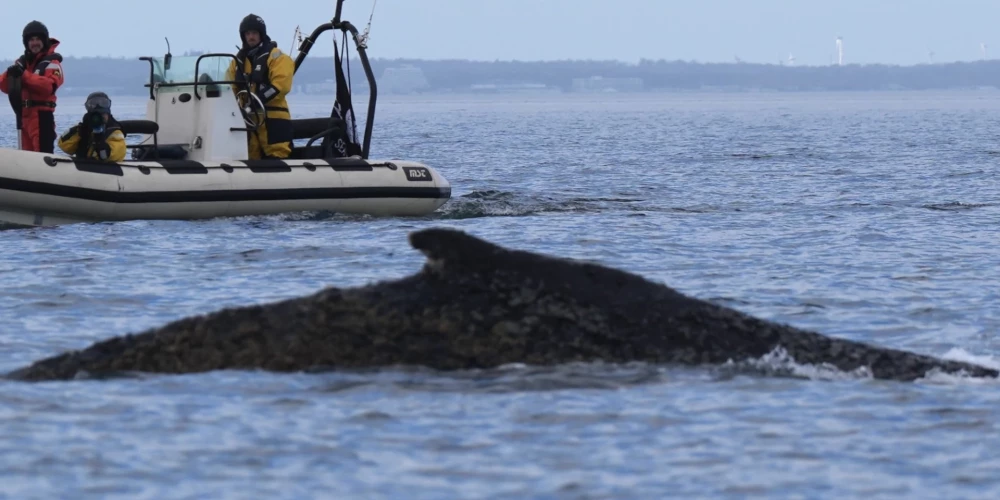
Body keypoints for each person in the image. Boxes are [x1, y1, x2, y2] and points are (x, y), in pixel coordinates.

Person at [225, 14, 294, 160]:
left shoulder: (277, 57)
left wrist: (258, 100)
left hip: (273, 119)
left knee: (278, 154)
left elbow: (281, 85)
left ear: (261, 34)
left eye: (254, 33)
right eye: (248, 34)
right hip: (248, 120)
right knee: (250, 156)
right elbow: (229, 87)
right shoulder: (237, 62)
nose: (251, 37)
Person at [0, 21, 65, 153]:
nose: (35, 43)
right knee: (26, 157)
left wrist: (24, 75)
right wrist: (10, 74)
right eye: (31, 40)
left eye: (38, 39)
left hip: (42, 117)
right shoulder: (22, 63)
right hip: (24, 117)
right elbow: (4, 86)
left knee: (42, 156)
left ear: (44, 41)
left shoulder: (52, 63)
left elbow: (47, 87)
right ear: (26, 43)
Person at [57, 92, 126, 162]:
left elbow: (106, 156)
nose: (99, 120)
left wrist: (99, 140)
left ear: (108, 114)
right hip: (82, 165)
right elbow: (64, 146)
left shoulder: (115, 133)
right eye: (96, 117)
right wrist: (81, 131)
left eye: (102, 116)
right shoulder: (83, 128)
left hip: (102, 167)